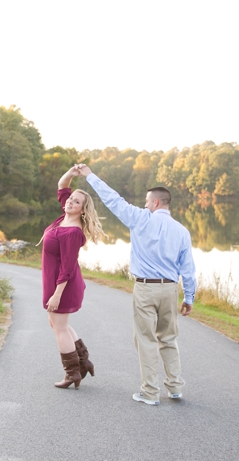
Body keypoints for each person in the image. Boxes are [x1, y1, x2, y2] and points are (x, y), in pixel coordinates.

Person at [80, 164, 196, 405]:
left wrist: (90, 175)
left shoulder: (140, 219)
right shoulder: (182, 231)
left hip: (145, 288)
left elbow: (113, 199)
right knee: (168, 338)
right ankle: (175, 387)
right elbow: (188, 268)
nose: (144, 205)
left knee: (146, 339)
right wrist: (189, 297)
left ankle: (150, 392)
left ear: (155, 203)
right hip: (170, 290)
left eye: (146, 202)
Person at [41, 166, 105, 389]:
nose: (70, 202)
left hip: (64, 285)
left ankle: (72, 373)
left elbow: (67, 268)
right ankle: (83, 361)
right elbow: (62, 186)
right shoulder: (64, 219)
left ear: (83, 210)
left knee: (59, 327)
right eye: (71, 199)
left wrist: (57, 295)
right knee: (57, 324)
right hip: (55, 282)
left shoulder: (73, 232)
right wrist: (70, 172)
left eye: (76, 202)